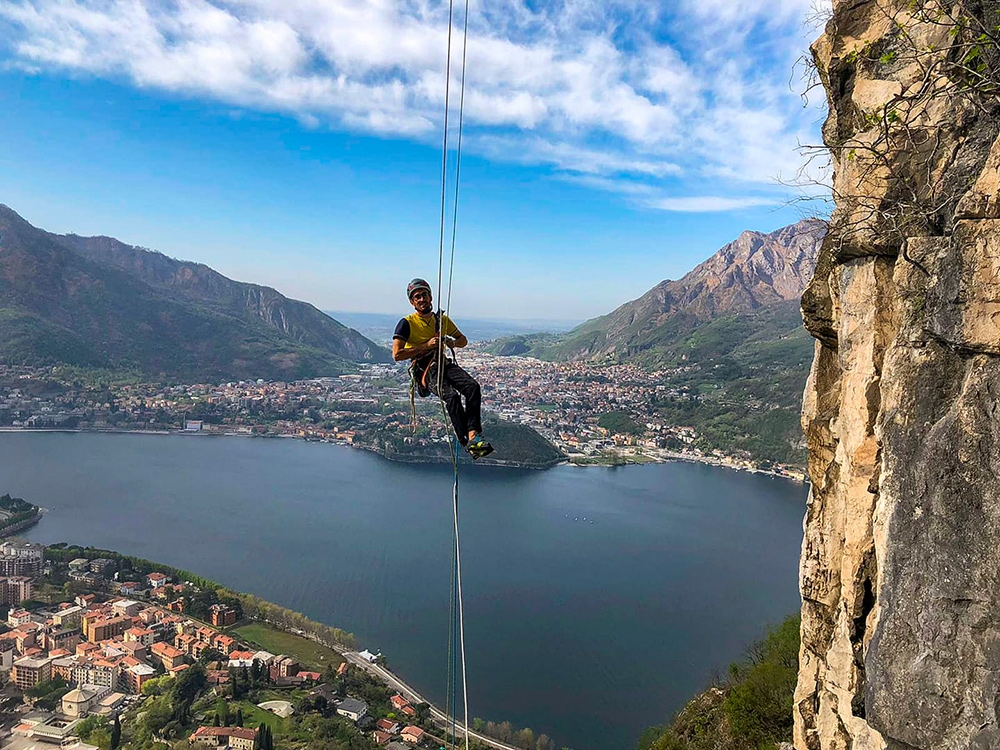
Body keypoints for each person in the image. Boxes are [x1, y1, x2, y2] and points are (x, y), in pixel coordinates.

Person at [393, 278, 494, 459]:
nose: (422, 299)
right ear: (412, 302)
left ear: (430, 297)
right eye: (417, 297)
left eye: (424, 295)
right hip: (425, 369)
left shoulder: (441, 320)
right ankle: (467, 442)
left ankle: (473, 434)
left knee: (472, 387)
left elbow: (463, 340)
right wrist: (426, 346)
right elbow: (397, 354)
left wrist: (452, 342)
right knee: (452, 396)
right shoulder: (406, 323)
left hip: (442, 362)